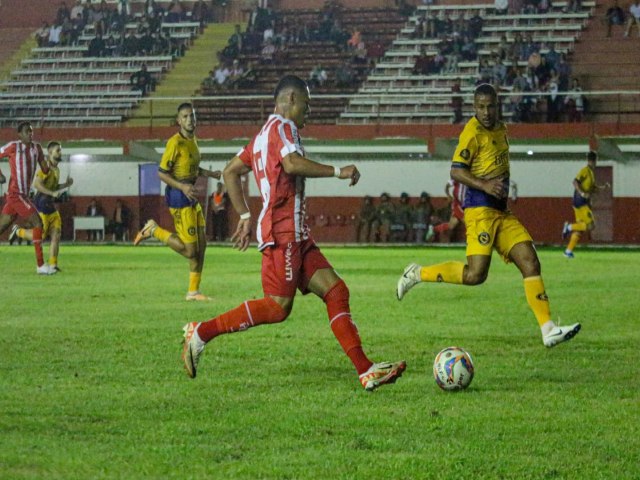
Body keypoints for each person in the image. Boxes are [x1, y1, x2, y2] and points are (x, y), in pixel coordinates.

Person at [181, 75, 406, 390]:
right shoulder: (283, 127)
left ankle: (366, 370)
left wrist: (245, 214)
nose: (308, 111)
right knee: (276, 307)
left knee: (336, 291)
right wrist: (338, 171)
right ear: (289, 99)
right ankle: (200, 333)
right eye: (306, 104)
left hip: (297, 234)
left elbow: (230, 171)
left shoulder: (261, 136)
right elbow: (291, 163)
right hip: (283, 232)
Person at [396, 84, 581, 348]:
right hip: (480, 209)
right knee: (475, 275)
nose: (486, 111)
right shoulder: (472, 132)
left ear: (498, 105)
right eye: (480, 106)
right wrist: (484, 185)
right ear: (474, 107)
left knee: (530, 261)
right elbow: (456, 171)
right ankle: (417, 273)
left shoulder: (501, 128)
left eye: (490, 106)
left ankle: (548, 329)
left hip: (501, 211)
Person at [133, 102, 221, 301]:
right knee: (191, 251)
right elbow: (162, 173)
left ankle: (193, 292)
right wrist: (182, 187)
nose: (190, 119)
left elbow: (190, 168)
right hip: (179, 197)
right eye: (185, 116)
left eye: (192, 115)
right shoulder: (175, 143)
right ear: (178, 121)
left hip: (190, 196)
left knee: (202, 245)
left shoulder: (193, 140)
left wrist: (210, 174)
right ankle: (154, 230)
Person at [8, 141, 73, 271]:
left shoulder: (56, 169)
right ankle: (18, 231)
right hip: (41, 205)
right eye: (58, 150)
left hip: (50, 206)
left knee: (56, 233)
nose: (60, 153)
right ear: (49, 153)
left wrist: (65, 184)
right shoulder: (46, 168)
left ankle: (53, 265)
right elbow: (37, 184)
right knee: (41, 236)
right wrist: (52, 193)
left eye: (60, 150)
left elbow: (53, 187)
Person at [0, 122, 55, 275]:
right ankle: (40, 265)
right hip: (16, 194)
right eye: (26, 131)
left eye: (31, 131)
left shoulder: (36, 148)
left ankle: (41, 266)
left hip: (22, 195)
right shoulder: (13, 147)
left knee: (2, 227)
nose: (30, 134)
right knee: (38, 223)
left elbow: (44, 168)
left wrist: (48, 164)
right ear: (19, 134)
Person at [562, 151, 610, 258]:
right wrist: (582, 193)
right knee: (591, 225)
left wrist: (603, 187)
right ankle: (568, 227)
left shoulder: (591, 173)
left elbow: (592, 188)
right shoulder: (585, 171)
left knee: (580, 229)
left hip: (580, 202)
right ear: (594, 160)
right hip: (580, 202)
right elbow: (575, 182)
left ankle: (568, 251)